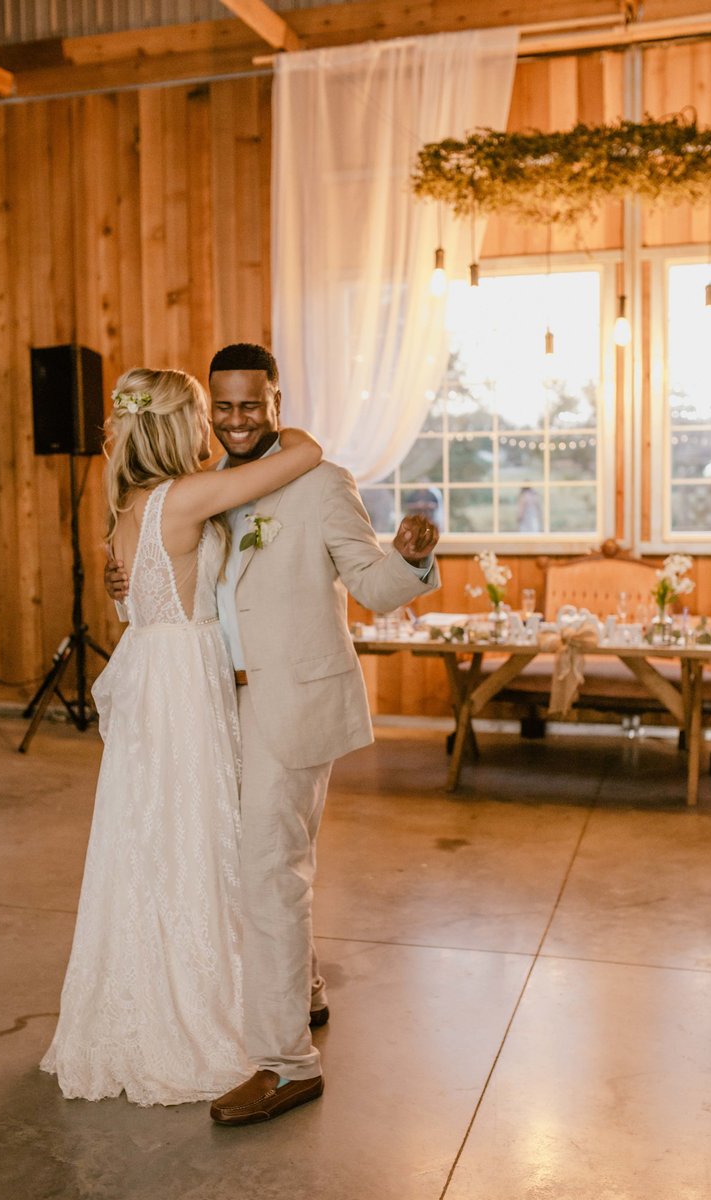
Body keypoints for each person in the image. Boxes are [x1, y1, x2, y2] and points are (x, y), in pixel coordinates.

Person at [106, 343, 440, 1126]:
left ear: (276, 401)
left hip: (290, 703)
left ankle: (288, 1065)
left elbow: (370, 584)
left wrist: (412, 559)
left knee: (268, 868)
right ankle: (306, 987)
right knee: (249, 864)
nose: (235, 419)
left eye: (250, 405)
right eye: (221, 407)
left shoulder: (321, 483)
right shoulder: (206, 490)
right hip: (211, 708)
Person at [41, 367, 322, 1106]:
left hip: (152, 669)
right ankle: (209, 1009)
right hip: (185, 678)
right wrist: (280, 422)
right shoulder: (187, 495)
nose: (211, 431)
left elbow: (141, 589)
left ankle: (139, 995)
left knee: (147, 835)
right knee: (200, 830)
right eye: (203, 416)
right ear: (180, 427)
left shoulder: (128, 503)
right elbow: (304, 455)